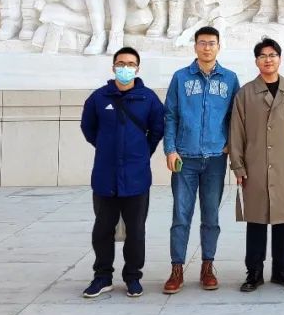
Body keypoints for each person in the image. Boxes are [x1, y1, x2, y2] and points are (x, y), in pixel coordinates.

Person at [80, 46, 166, 298]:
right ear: (113, 67)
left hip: (136, 176)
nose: (125, 68)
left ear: (137, 68)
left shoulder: (148, 98)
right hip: (105, 175)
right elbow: (88, 128)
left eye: (130, 64)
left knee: (136, 231)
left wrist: (141, 150)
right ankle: (102, 276)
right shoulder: (99, 97)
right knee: (102, 229)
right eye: (121, 64)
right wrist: (105, 146)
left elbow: (157, 129)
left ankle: (133, 277)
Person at [163, 26, 241, 294]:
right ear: (195, 46)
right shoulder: (181, 77)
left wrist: (231, 144)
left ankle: (208, 266)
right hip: (185, 158)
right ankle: (176, 269)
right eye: (202, 43)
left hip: (215, 159)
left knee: (211, 216)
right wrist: (170, 149)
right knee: (181, 216)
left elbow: (235, 116)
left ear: (219, 46)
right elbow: (170, 115)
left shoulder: (229, 79)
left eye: (212, 43)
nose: (207, 47)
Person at [229, 37, 284, 292]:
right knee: (256, 221)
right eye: (263, 56)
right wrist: (238, 166)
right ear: (256, 61)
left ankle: (282, 271)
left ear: (280, 59)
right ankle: (254, 272)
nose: (268, 60)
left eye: (272, 55)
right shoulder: (245, 94)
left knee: (283, 220)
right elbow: (236, 132)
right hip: (255, 167)